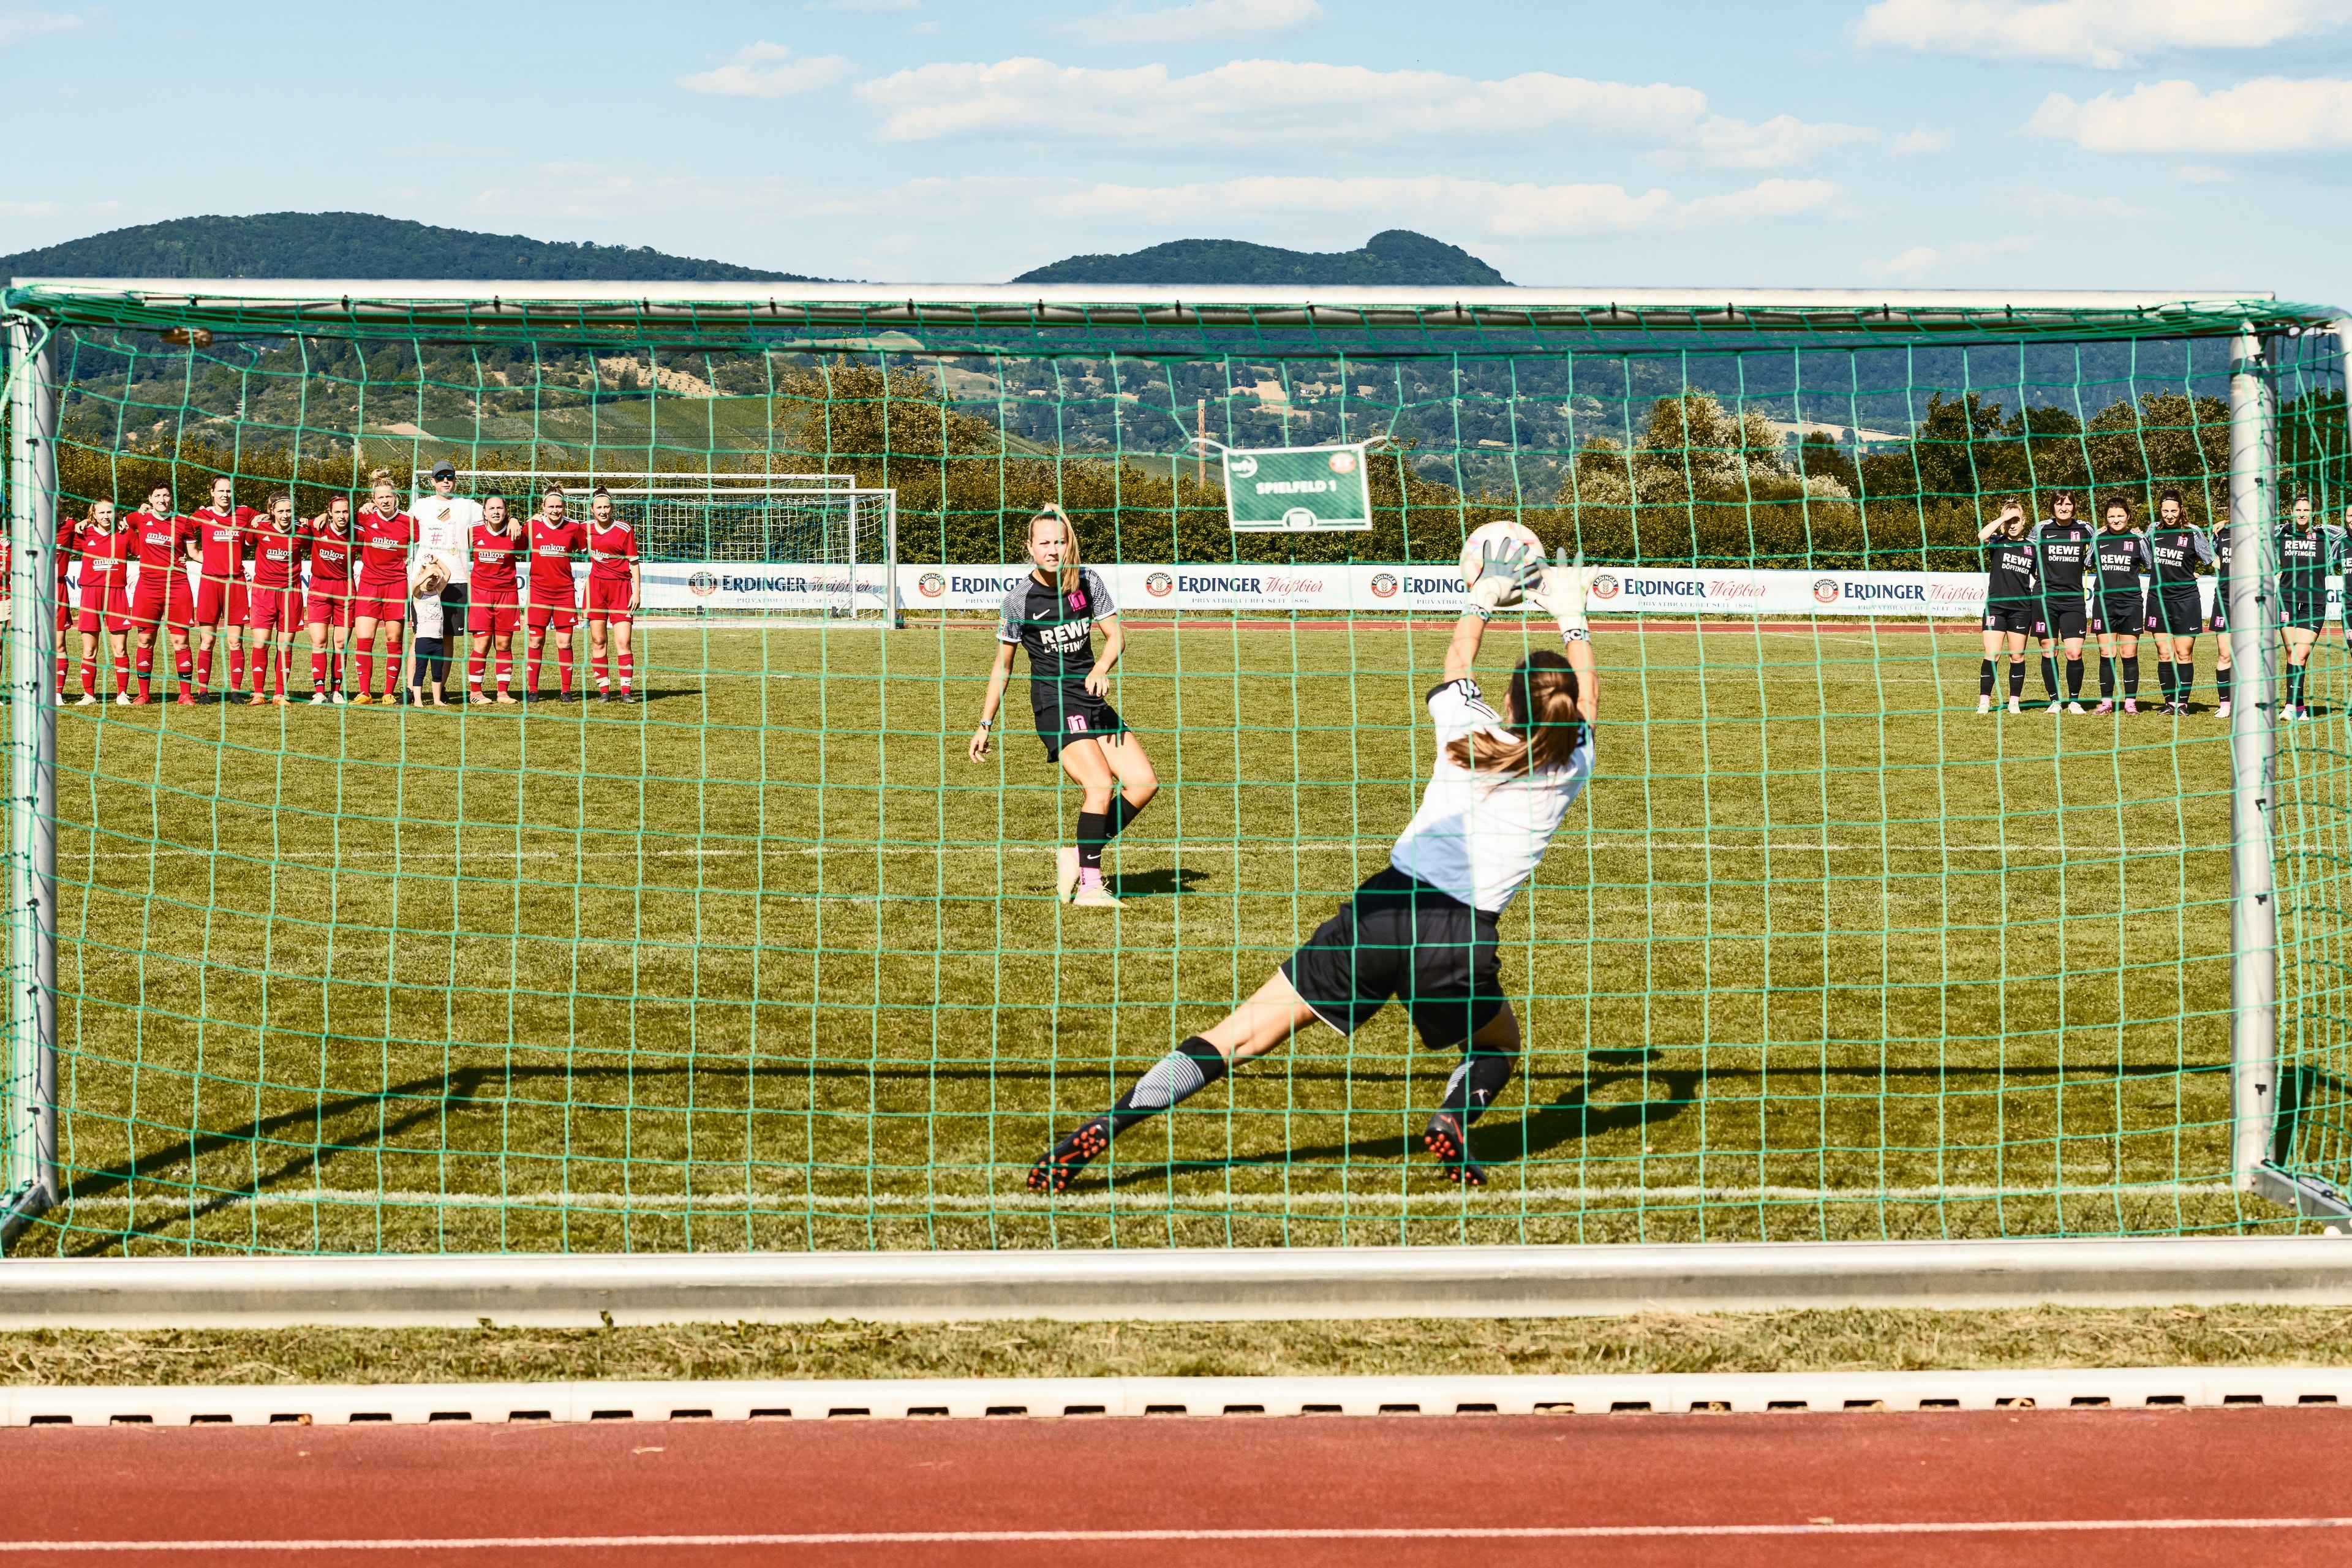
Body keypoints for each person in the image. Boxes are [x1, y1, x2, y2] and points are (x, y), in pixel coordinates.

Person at [1028, 541, 1596, 1193]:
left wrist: (1484, 598)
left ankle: (1105, 1126)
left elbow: (1456, 659)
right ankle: (1454, 1116)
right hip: (1460, 939)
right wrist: (1573, 614)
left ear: (1510, 699)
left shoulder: (1469, 728)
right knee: (1497, 1046)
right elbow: (1590, 700)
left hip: (1384, 910)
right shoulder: (1574, 760)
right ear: (1569, 711)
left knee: (1238, 1035)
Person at [968, 505, 1158, 909]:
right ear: (1030, 548)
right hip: (1054, 704)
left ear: (1068, 543)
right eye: (1045, 543)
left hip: (1092, 698)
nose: (1053, 549)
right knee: (1100, 786)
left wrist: (1102, 666)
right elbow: (1003, 666)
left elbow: (1116, 637)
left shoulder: (1087, 581)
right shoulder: (1018, 600)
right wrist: (986, 723)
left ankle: (1076, 854)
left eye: (1060, 541)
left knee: (1143, 783)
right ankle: (1091, 885)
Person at [123, 481, 200, 706]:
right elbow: (113, 523)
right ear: (150, 499)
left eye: (166, 496)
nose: (162, 500)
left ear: (171, 498)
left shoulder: (183, 522)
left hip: (177, 586)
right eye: (157, 496)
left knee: (181, 642)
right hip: (148, 587)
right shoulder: (138, 518)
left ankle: (185, 694)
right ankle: (143, 694)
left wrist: (223, 562)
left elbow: (194, 552)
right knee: (145, 640)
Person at [2142, 488, 2215, 715]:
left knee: (2184, 653)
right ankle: (2169, 703)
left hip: (2186, 600)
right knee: (2164, 653)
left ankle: (2182, 703)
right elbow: (2146, 560)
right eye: (2165, 511)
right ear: (2160, 510)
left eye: (2174, 510)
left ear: (2181, 509)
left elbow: (2211, 558)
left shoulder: (2193, 533)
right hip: (2158, 600)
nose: (2170, 515)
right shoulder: (2153, 531)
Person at [410, 459, 479, 696]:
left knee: (447, 638)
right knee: (420, 636)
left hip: (457, 579)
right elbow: (399, 522)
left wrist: (511, 518)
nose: (445, 481)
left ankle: (441, 689)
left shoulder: (469, 506)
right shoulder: (420, 506)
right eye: (440, 477)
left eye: (449, 476)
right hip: (425, 581)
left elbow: (496, 514)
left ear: (455, 479)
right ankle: (411, 689)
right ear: (432, 481)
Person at [349, 472, 415, 706]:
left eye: (389, 497)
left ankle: (388, 692)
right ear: (373, 500)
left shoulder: (409, 522)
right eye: (380, 498)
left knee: (393, 638)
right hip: (369, 584)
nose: (385, 501)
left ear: (396, 497)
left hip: (396, 585)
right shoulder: (364, 517)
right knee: (364, 638)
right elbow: (340, 518)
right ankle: (364, 693)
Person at [187, 477, 254, 704]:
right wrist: (194, 554)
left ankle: (236, 691)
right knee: (208, 641)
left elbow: (269, 517)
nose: (225, 495)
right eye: (221, 491)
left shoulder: (244, 513)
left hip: (235, 584)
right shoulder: (202, 515)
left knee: (236, 642)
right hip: (210, 583)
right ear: (212, 493)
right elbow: (179, 527)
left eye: (229, 491)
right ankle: (203, 692)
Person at [2030, 490, 2095, 712]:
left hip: (2073, 600)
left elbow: (2099, 545)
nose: (2064, 507)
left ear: (2074, 506)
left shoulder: (2085, 528)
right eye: (2059, 504)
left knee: (2074, 653)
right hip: (2045, 599)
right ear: (2053, 507)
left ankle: (2074, 700)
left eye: (2068, 504)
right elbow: (2025, 551)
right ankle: (2055, 701)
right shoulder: (2041, 529)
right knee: (2050, 650)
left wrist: (2087, 561)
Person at [2086, 496, 2152, 715]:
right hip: (2104, 604)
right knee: (2107, 653)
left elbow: (2152, 564)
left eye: (2120, 516)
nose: (2116, 520)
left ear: (2128, 517)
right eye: (2111, 516)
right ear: (2105, 519)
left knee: (2129, 654)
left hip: (2131, 604)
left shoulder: (2137, 540)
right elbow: (2086, 562)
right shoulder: (2099, 538)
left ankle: (2130, 703)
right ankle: (2106, 703)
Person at [523, 486, 587, 703]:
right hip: (539, 592)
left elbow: (587, 546)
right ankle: (533, 690)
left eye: (559, 506)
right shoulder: (532, 526)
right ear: (543, 507)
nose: (555, 510)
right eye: (551, 506)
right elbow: (516, 540)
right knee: (535, 642)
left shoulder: (574, 528)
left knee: (565, 643)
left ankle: (566, 691)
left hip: (564, 592)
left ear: (564, 507)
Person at [68, 499, 134, 706]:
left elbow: (146, 551)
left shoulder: (125, 533)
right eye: (102, 512)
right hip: (90, 593)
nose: (106, 516)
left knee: (120, 648)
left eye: (110, 512)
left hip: (116, 593)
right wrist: (79, 523)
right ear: (94, 514)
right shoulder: (83, 533)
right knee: (89, 650)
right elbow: (61, 536)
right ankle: (89, 695)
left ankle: (122, 694)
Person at [2278, 492, 2337, 722]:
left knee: (2300, 654)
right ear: (2292, 512)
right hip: (2286, 599)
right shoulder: (2281, 532)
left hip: (2315, 602)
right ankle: (2298, 708)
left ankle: (2290, 706)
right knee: (2292, 653)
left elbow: (2347, 531)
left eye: (2306, 510)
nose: (2302, 514)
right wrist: (2226, 523)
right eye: (2298, 510)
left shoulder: (2325, 534)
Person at [1976, 499, 2037, 714]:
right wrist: (2003, 517)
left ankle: (2014, 702)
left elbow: (2039, 577)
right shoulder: (1996, 542)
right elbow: (1981, 536)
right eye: (2009, 521)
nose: (2012, 525)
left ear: (2024, 521)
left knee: (2017, 656)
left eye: (2016, 520)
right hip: (1996, 608)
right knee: (1992, 654)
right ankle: (1984, 701)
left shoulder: (2032, 548)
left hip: (2021, 609)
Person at [243, 492, 303, 706]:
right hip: (263, 593)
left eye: (289, 511)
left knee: (285, 646)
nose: (285, 515)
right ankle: (259, 693)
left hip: (290, 594)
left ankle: (280, 694)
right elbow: (247, 539)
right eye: (281, 511)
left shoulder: (302, 531)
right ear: (272, 512)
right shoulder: (260, 529)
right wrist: (253, 520)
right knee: (261, 643)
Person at [582, 486, 641, 703]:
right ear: (592, 510)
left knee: (624, 641)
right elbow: (560, 525)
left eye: (607, 507)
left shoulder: (624, 529)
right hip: (596, 588)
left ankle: (626, 692)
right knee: (598, 641)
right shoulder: (585, 529)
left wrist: (637, 591)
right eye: (599, 507)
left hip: (621, 589)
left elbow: (634, 562)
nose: (604, 511)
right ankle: (604, 691)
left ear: (612, 508)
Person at [466, 494, 524, 704]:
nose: (496, 512)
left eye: (500, 508)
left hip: (507, 595)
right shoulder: (473, 532)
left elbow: (530, 550)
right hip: (481, 595)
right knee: (481, 645)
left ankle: (502, 693)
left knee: (504, 644)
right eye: (492, 508)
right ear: (484, 512)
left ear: (506, 511)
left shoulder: (515, 532)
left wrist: (516, 520)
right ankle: (475, 693)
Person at [300, 496, 356, 704]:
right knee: (319, 642)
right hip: (319, 588)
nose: (342, 516)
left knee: (340, 643)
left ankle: (337, 691)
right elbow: (295, 524)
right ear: (330, 513)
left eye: (346, 512)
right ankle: (319, 691)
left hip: (345, 589)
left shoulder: (357, 533)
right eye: (338, 512)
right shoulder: (318, 528)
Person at [406, 554, 454, 707]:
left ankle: (437, 700)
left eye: (435, 579)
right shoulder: (418, 594)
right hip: (423, 640)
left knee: (437, 672)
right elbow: (415, 583)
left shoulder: (437, 592)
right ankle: (418, 700)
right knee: (420, 671)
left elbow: (447, 574)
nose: (433, 581)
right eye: (430, 578)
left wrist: (437, 561)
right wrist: (427, 570)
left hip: (437, 641)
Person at [2207, 496, 2235, 718]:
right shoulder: (2220, 533)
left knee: (2249, 655)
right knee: (2225, 654)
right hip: (2224, 600)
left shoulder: (2260, 533)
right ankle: (2225, 704)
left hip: (2250, 603)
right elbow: (2213, 559)